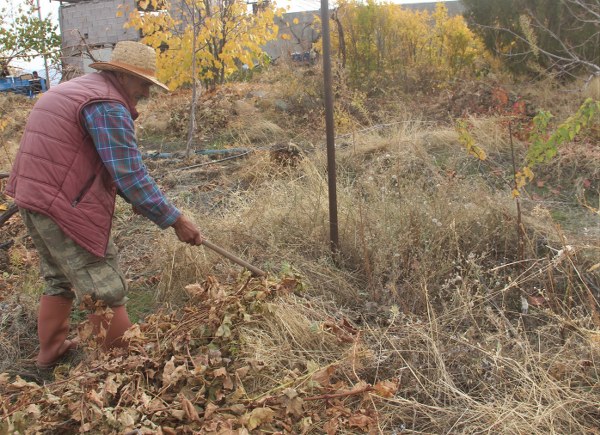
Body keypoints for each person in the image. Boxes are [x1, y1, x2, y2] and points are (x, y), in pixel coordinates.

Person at [5, 41, 204, 369]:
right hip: (61, 203)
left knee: (58, 277)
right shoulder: (107, 104)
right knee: (104, 283)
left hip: (34, 196)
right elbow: (130, 173)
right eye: (143, 84)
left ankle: (50, 352)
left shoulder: (82, 89)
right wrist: (175, 220)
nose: (146, 93)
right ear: (122, 76)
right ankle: (123, 364)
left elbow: (104, 162)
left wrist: (138, 201)